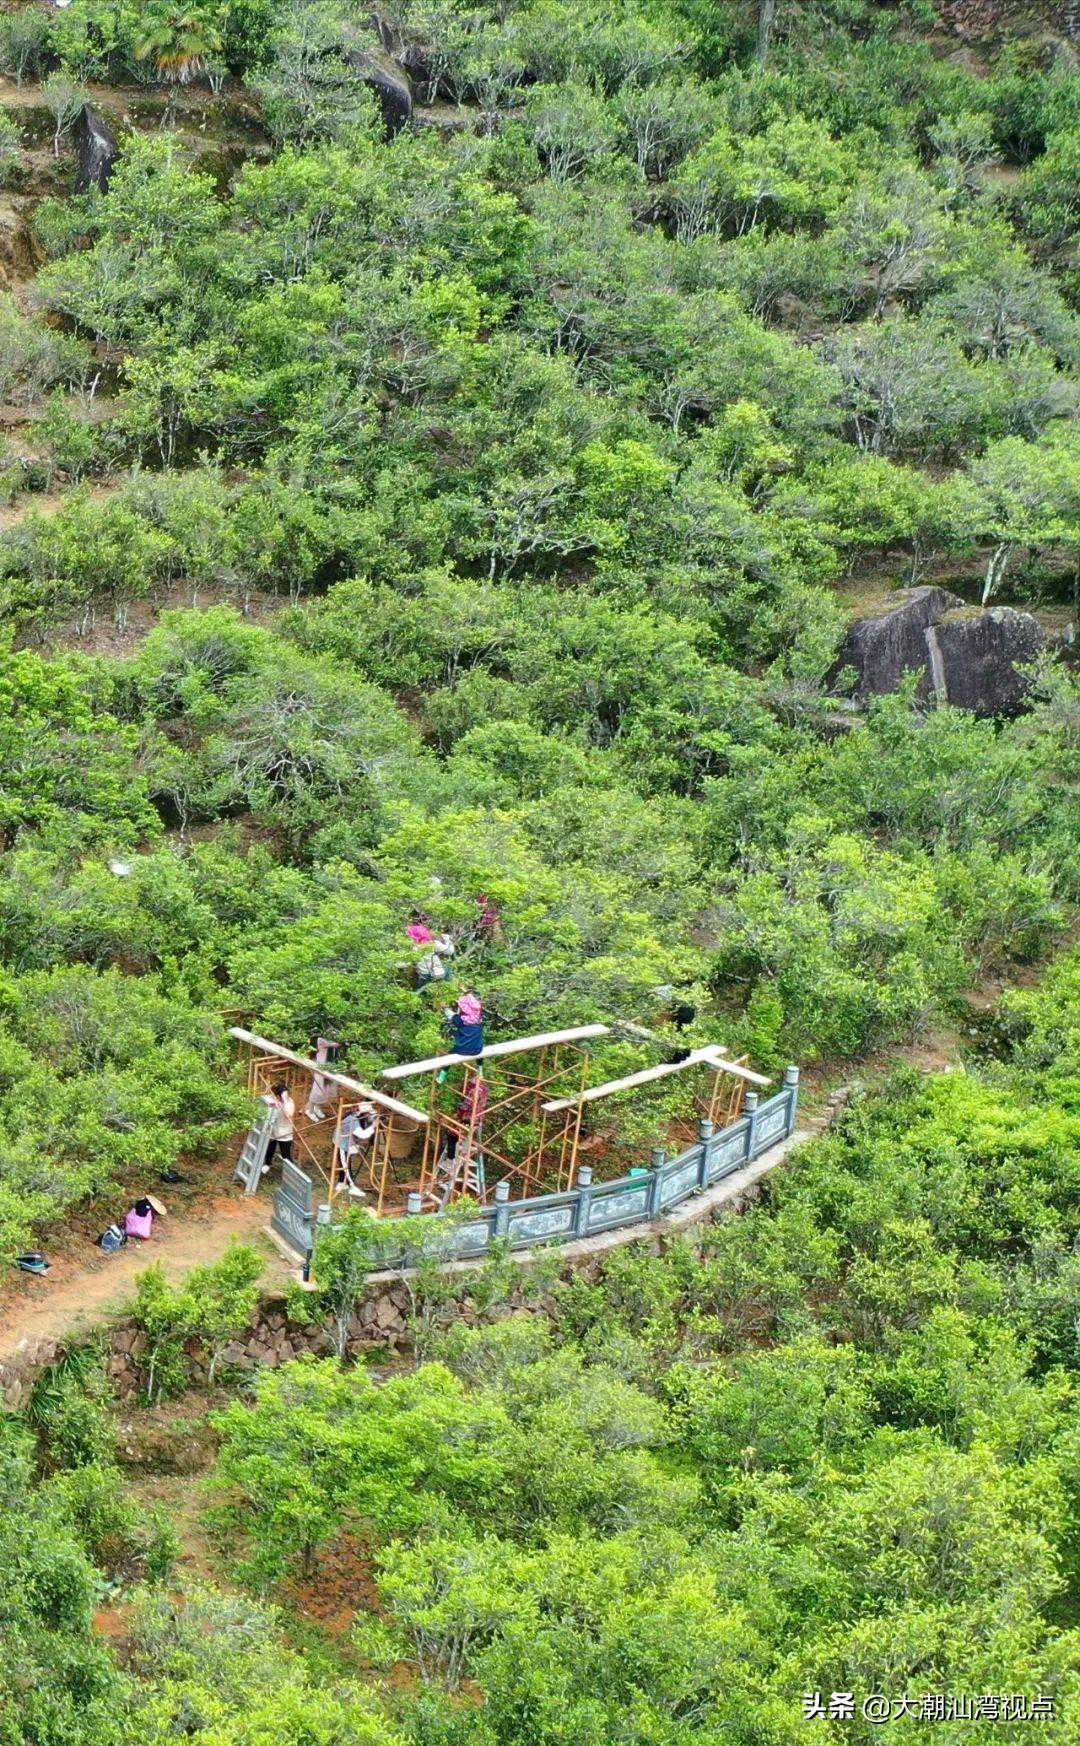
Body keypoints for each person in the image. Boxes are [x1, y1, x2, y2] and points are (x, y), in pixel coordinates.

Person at [335, 1101, 377, 1197]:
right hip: (341, 1144)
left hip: (345, 1141)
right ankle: (352, 1187)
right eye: (367, 1114)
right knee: (345, 1165)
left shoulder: (352, 1116)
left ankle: (341, 1183)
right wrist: (373, 1126)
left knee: (345, 1163)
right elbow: (362, 1134)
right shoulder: (352, 1120)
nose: (368, 1116)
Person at [263, 1081, 295, 1173]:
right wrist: (273, 1103)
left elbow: (289, 1115)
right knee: (269, 1150)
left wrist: (283, 1102)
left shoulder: (290, 1103)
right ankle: (267, 1164)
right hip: (273, 1131)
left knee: (286, 1155)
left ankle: (290, 1172)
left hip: (285, 1133)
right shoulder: (273, 1100)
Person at [448, 990, 484, 1057]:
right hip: (477, 1050)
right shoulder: (479, 1019)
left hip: (462, 1050)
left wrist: (444, 1007)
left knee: (449, 1054)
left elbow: (450, 1015)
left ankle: (444, 1067)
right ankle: (480, 1067)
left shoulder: (460, 1020)